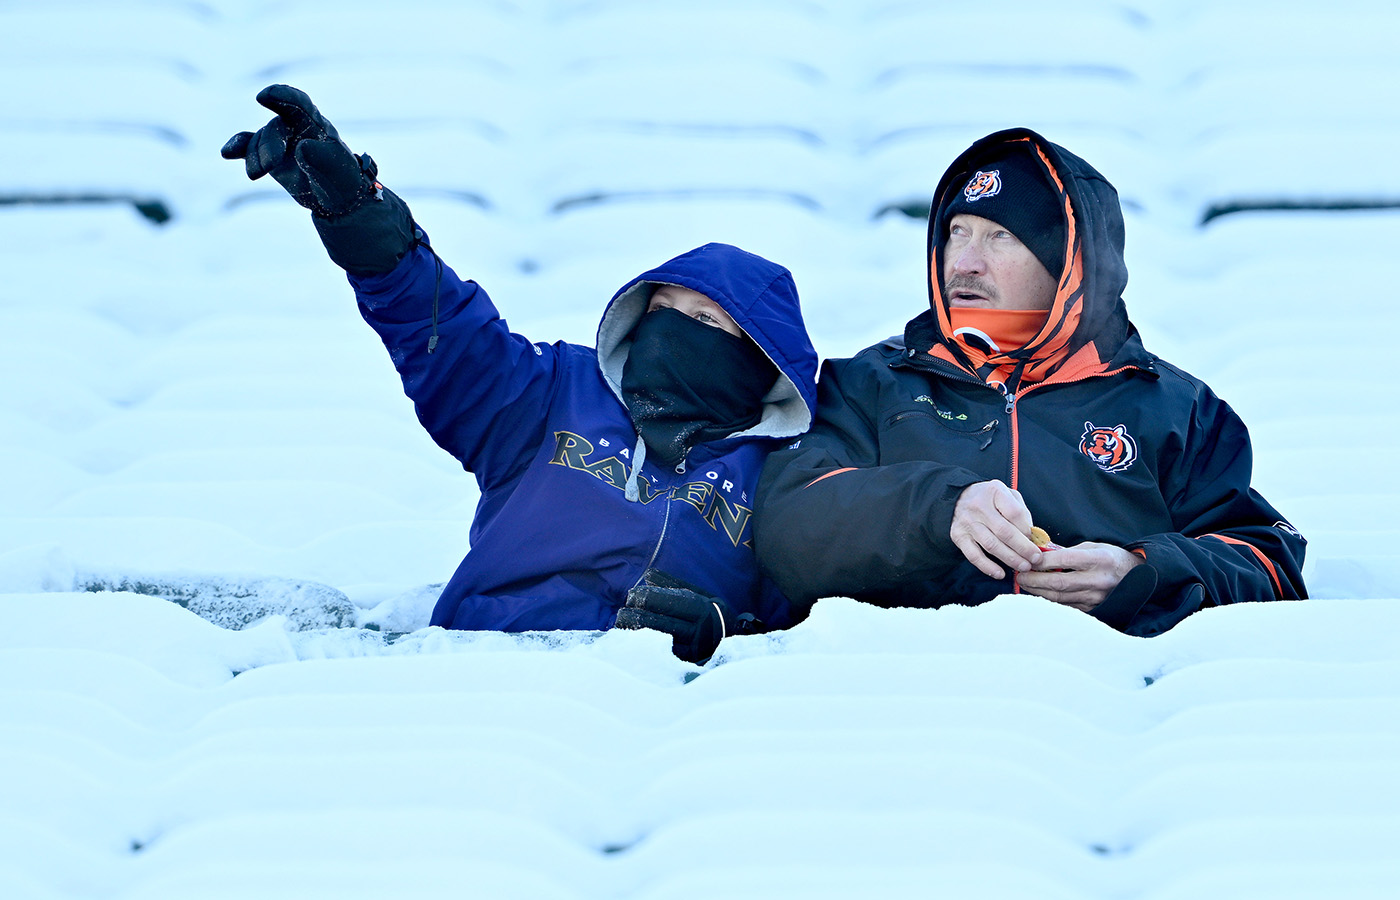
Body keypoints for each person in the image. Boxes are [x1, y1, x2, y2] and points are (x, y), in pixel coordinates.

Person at [222, 85, 819, 661]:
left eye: (705, 320)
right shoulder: (556, 390)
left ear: (758, 360)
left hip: (652, 699)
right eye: (661, 310)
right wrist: (358, 213)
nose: (673, 330)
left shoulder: (777, 476)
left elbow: (809, 613)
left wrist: (727, 633)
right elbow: (447, 335)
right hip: (484, 666)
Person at [753, 128, 1306, 636]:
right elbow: (787, 524)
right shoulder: (873, 382)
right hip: (902, 694)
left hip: (1095, 703)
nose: (963, 263)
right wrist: (941, 508)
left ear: (1070, 262)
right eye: (956, 233)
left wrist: (1139, 572)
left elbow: (1268, 562)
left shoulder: (1173, 407)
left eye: (999, 237)